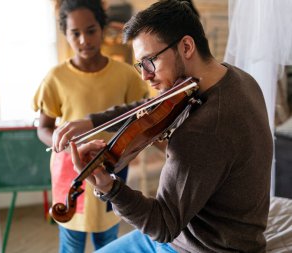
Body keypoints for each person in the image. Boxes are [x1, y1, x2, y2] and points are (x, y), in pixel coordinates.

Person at [55, 0, 274, 252]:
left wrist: (108, 187)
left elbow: (163, 226)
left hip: (200, 246)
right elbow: (152, 106)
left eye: (150, 62)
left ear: (187, 46)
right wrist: (92, 121)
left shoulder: (200, 131)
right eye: (140, 65)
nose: (145, 76)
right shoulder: (237, 78)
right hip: (229, 233)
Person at [32, 0, 148, 252]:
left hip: (110, 165)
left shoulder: (126, 75)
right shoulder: (55, 78)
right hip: (69, 169)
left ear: (102, 28)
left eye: (91, 30)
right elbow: (43, 128)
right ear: (66, 34)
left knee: (107, 240)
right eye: (75, 33)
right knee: (71, 242)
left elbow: (141, 119)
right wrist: (66, 144)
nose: (84, 40)